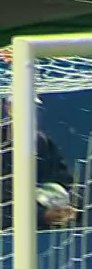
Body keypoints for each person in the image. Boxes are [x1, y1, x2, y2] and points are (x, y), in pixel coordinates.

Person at [0, 97, 78, 231]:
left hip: (39, 233)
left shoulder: (42, 143)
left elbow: (63, 180)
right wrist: (41, 216)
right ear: (8, 108)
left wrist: (68, 206)